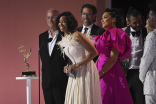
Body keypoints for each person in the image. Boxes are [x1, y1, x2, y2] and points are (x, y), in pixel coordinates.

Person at [56, 11, 102, 104]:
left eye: (64, 21)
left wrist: (77, 65)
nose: (61, 24)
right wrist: (68, 67)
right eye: (59, 22)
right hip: (75, 71)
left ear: (69, 22)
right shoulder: (65, 37)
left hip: (85, 69)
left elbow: (93, 52)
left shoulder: (77, 35)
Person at [93, 8, 133, 104]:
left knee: (104, 97)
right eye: (102, 18)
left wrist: (100, 73)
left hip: (109, 70)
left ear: (114, 19)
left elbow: (113, 58)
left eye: (105, 17)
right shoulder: (105, 34)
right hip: (100, 67)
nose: (102, 20)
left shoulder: (116, 33)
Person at [39, 8, 68, 104]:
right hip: (47, 80)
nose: (50, 20)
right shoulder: (42, 36)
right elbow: (44, 57)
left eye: (53, 17)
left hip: (61, 79)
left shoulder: (65, 35)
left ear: (59, 18)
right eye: (48, 17)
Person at [125, 7, 147, 104]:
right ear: (128, 22)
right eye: (135, 23)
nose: (138, 24)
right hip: (126, 72)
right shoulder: (123, 33)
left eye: (139, 21)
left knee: (140, 100)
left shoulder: (146, 32)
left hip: (140, 72)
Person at [139, 2, 156, 104]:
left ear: (154, 19)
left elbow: (146, 59)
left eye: (149, 17)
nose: (147, 19)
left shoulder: (152, 36)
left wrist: (141, 77)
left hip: (152, 83)